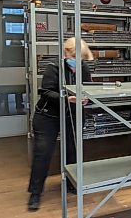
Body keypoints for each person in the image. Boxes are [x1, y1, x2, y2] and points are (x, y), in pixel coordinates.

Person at [27, 37, 94, 211]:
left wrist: (87, 100)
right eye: (73, 57)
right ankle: (35, 193)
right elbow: (46, 92)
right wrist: (67, 98)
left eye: (79, 59)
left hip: (70, 115)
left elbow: (88, 89)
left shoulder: (84, 68)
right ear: (66, 53)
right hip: (47, 116)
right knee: (43, 152)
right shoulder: (53, 68)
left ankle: (72, 183)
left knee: (73, 150)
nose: (76, 62)